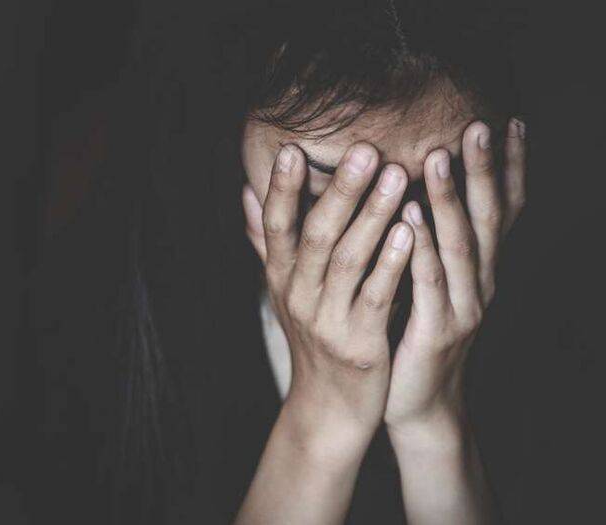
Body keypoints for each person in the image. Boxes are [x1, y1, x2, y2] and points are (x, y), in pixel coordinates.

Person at [44, 1, 527, 523]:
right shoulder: (102, 302)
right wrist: (323, 416)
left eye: (441, 182)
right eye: (332, 188)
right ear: (231, 120)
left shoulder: (563, 295)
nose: (392, 243)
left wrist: (434, 427)